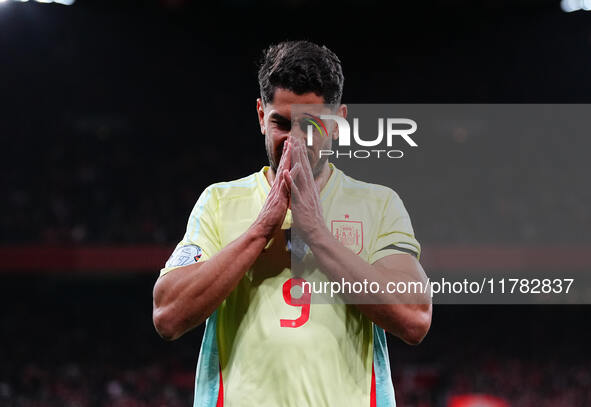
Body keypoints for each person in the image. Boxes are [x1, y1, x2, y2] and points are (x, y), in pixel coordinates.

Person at [152, 40, 432, 407]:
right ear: (259, 115)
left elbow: (414, 318)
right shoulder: (220, 202)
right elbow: (167, 315)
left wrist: (316, 233)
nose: (294, 141)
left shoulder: (377, 203)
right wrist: (259, 231)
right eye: (281, 123)